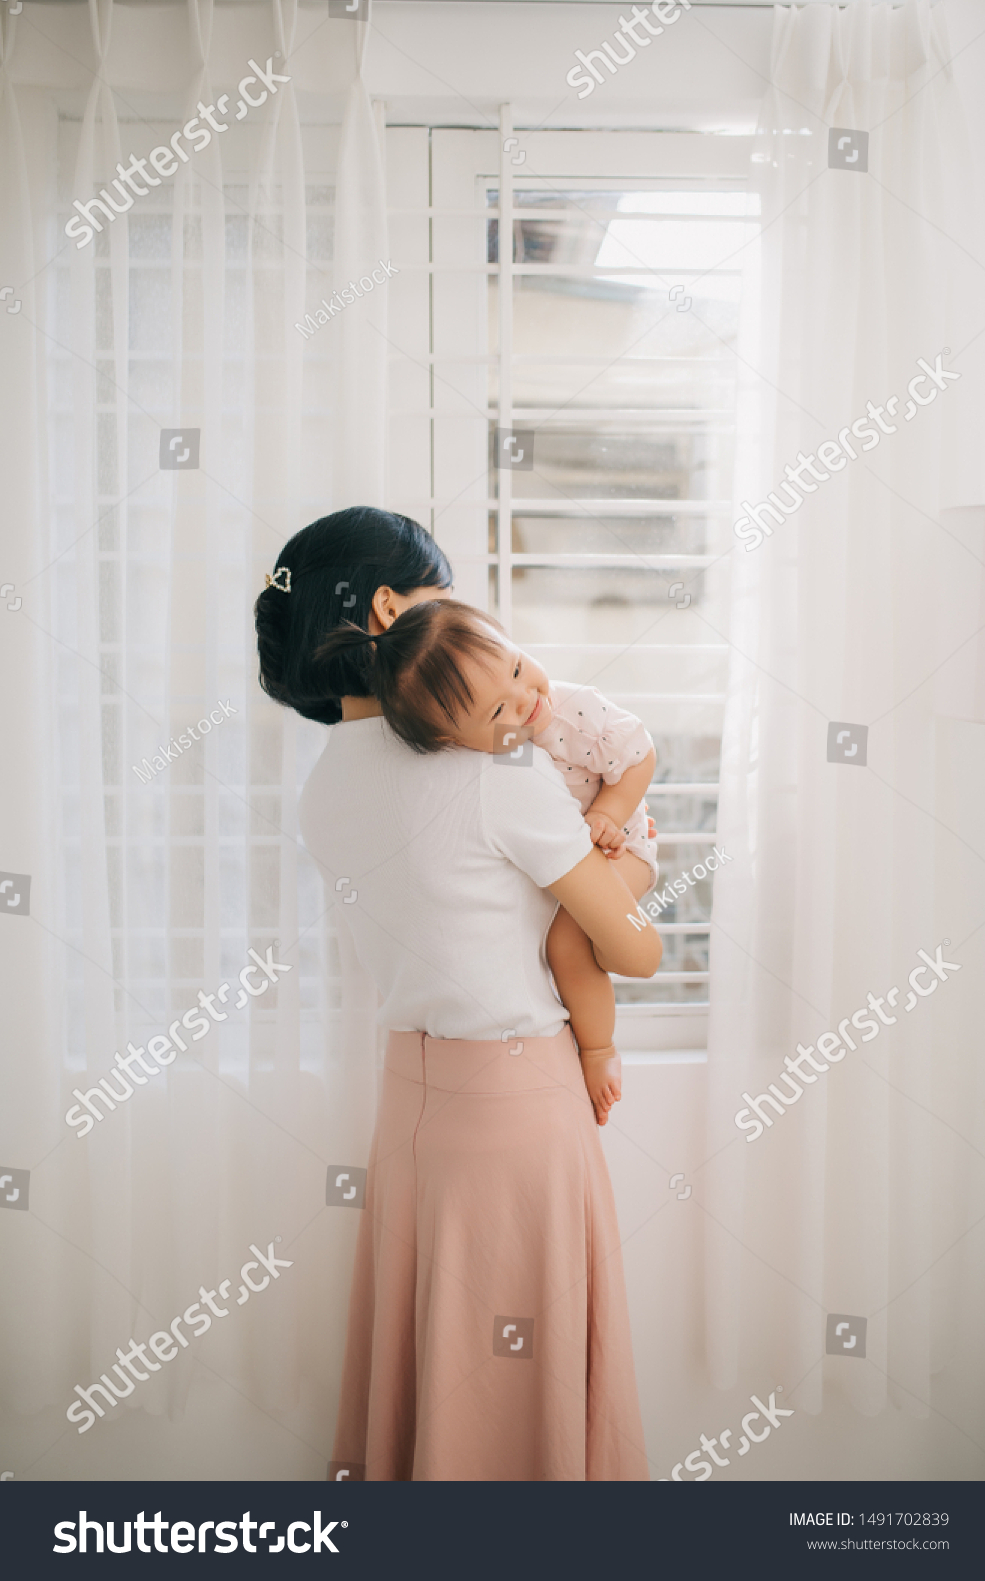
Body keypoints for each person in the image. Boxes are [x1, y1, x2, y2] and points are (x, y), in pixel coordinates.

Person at [255, 506, 659, 1482]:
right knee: (531, 1400)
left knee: (430, 1371)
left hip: (410, 1107)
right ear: (391, 608)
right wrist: (636, 862)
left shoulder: (323, 787)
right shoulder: (492, 776)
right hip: (519, 1111)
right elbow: (631, 953)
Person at [317, 598, 658, 1127]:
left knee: (570, 945)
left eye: (519, 668)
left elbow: (640, 753)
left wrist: (613, 813)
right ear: (454, 744)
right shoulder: (486, 766)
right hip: (587, 855)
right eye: (497, 712)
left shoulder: (575, 709)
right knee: (569, 945)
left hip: (625, 845)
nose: (526, 700)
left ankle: (598, 1050)